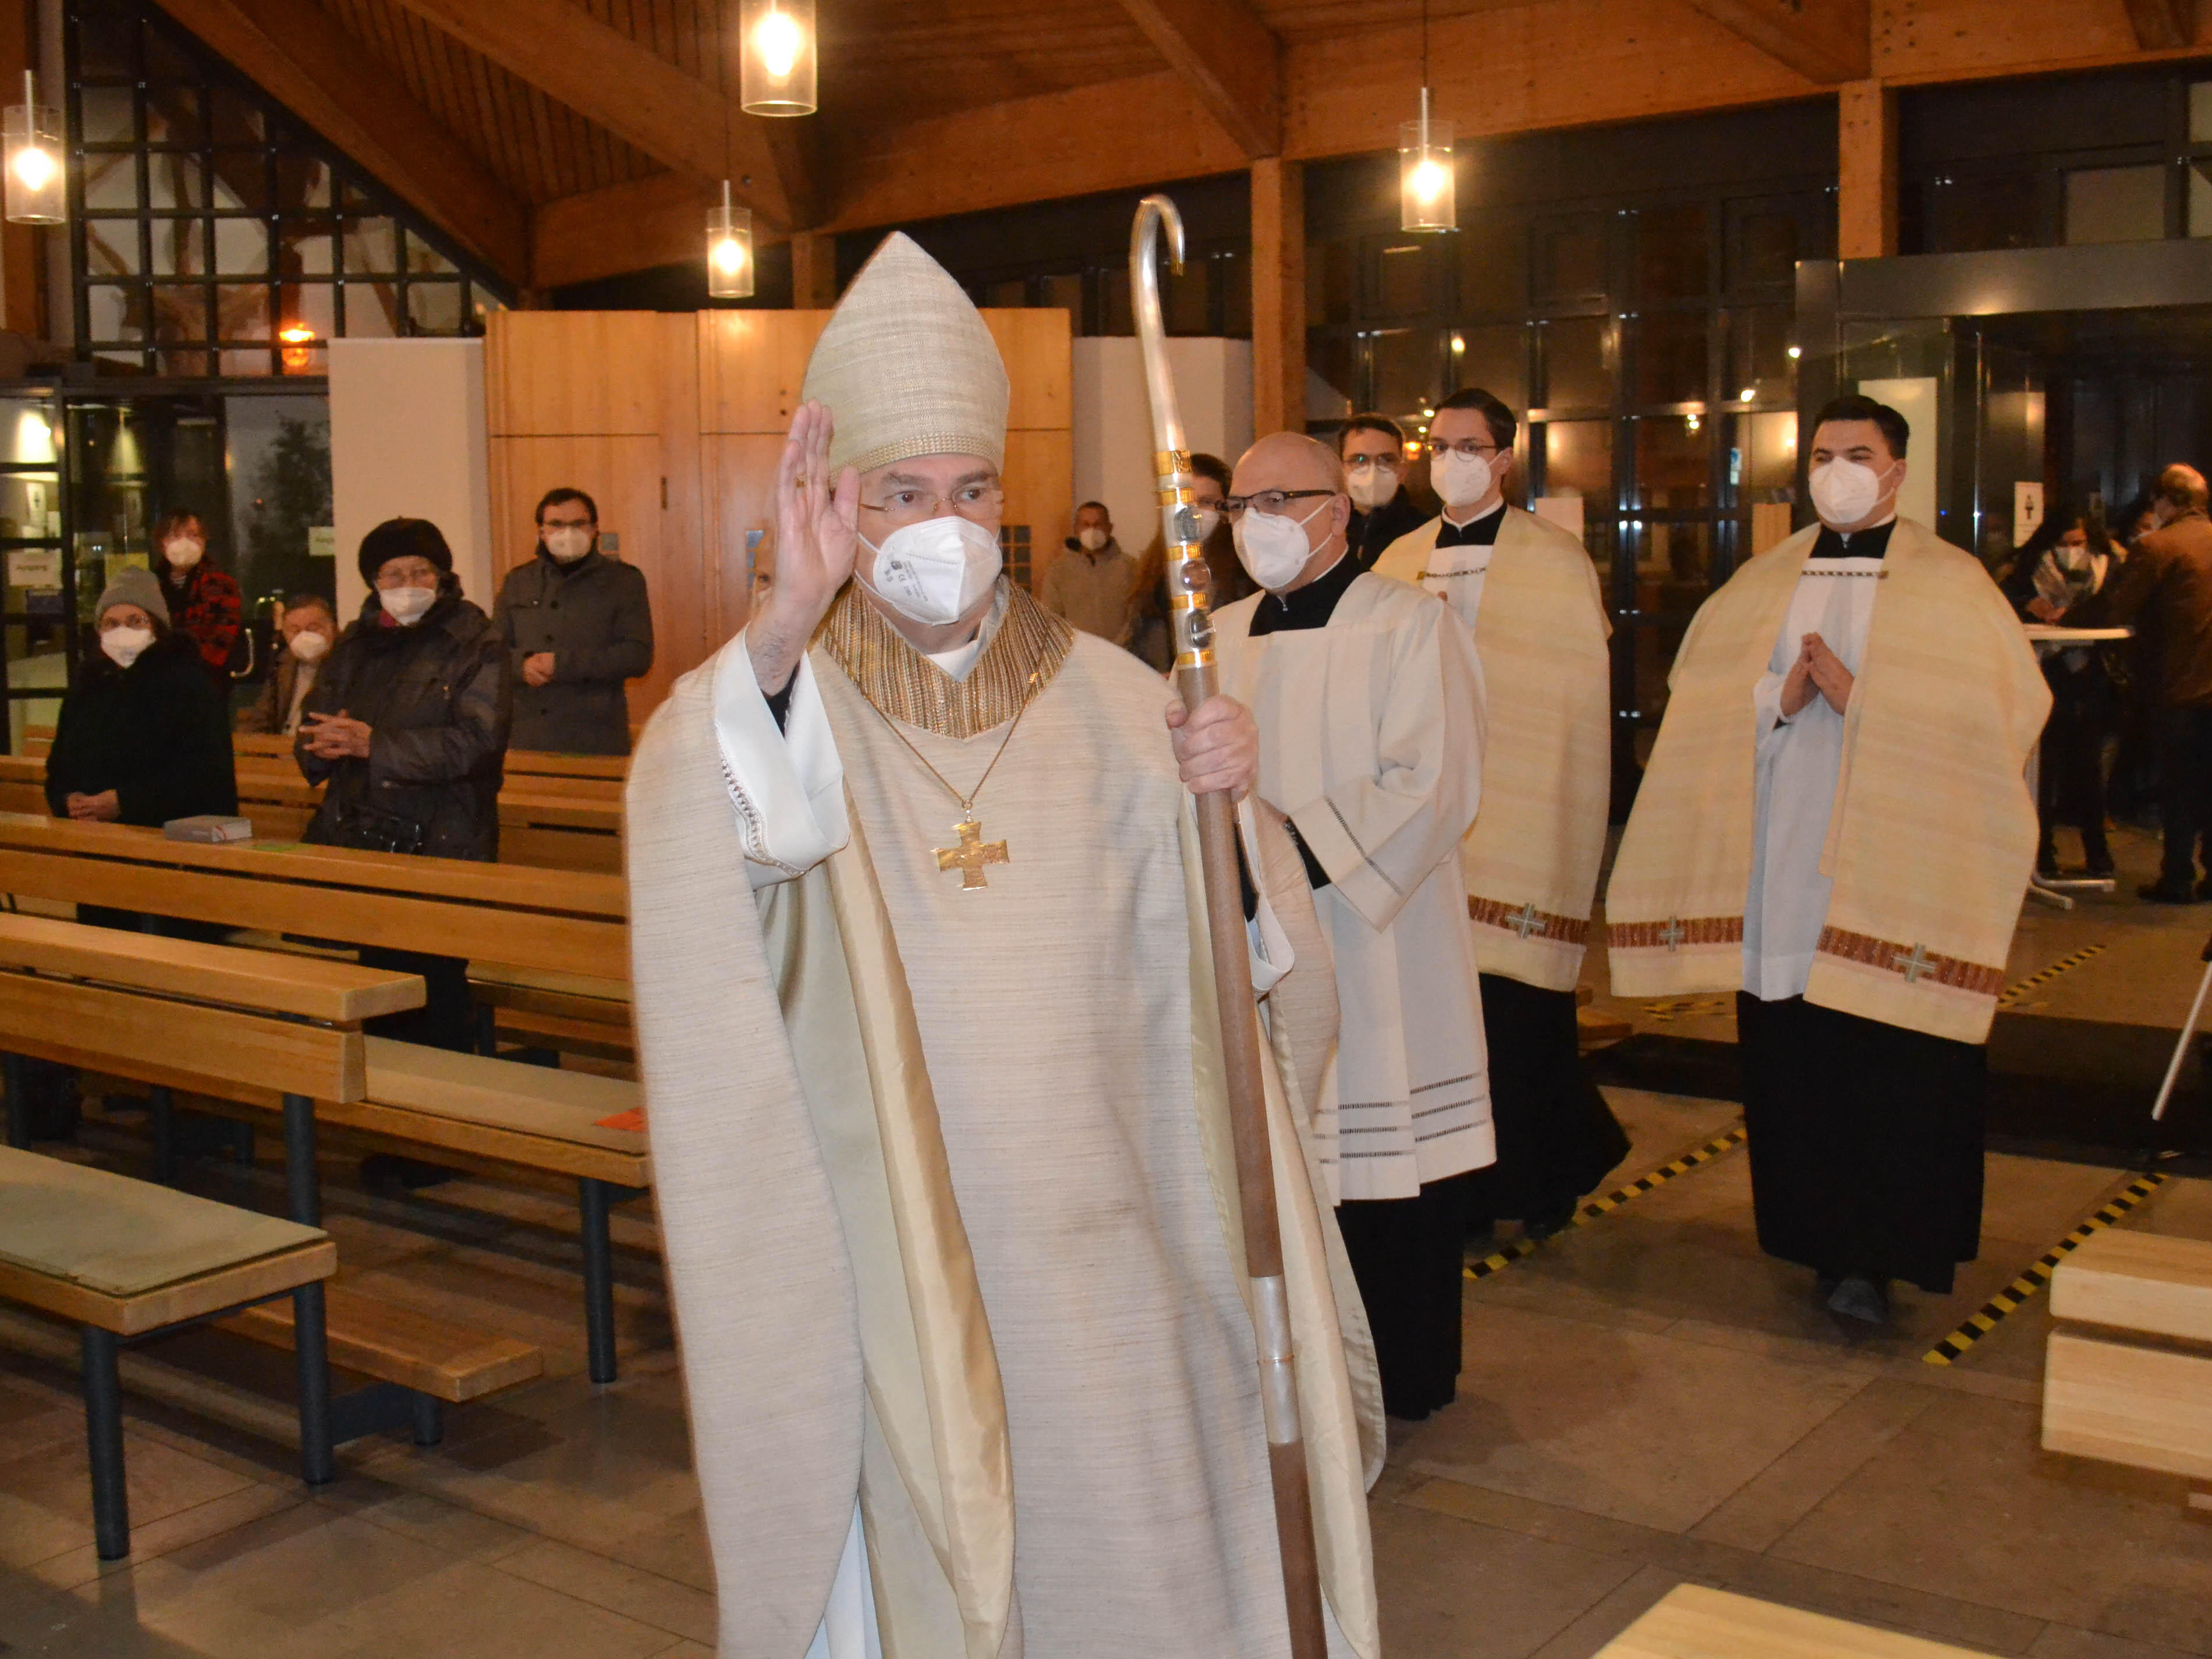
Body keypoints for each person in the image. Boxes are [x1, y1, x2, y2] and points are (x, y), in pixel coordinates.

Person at [622, 233, 1381, 1657]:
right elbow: (707, 851)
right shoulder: (790, 700)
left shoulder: (1122, 697)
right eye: (899, 493)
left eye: (968, 489)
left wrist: (1232, 817)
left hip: (1120, 1238)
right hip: (905, 1255)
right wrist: (783, 619)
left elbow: (1251, 975)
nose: (940, 523)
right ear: (831, 500)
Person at [1608, 394, 2048, 1326]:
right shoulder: (1764, 579)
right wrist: (1781, 692)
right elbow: (1700, 700)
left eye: (1857, 452)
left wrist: (1867, 701)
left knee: (1889, 1065)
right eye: (1821, 454)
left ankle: (1882, 1254)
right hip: (1782, 864)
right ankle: (1816, 1241)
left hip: (1898, 879)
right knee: (1800, 1059)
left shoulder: (1954, 582)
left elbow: (2006, 719)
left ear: (1897, 470)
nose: (1835, 469)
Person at [1212, 429, 1491, 1422]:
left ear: (1339, 508)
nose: (1259, 526)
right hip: (1256, 939)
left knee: (1382, 1162)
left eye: (1280, 502)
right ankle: (1301, 1387)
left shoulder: (1411, 625)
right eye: (1243, 508)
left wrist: (1287, 859)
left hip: (1378, 935)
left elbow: (1433, 783)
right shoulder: (1216, 635)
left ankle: (1403, 1376)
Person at [1373, 386, 1628, 1241]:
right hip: (1423, 819)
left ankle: (1543, 1177)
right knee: (1442, 1019)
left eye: (1467, 445)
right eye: (1437, 445)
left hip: (1518, 811)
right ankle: (1462, 1189)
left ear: (1505, 459)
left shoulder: (1555, 561)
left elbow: (1573, 703)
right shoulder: (1398, 560)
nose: (1448, 459)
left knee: (1519, 1017)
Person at [297, 518, 509, 1058]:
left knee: (434, 987)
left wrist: (377, 745)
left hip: (444, 836)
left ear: (442, 576)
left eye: (421, 572)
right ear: (374, 583)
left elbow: (478, 742)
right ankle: (384, 1110)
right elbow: (314, 720)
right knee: (378, 984)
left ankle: (442, 1114)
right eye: (393, 574)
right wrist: (318, 745)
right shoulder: (355, 642)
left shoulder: (475, 638)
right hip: (362, 833)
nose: (408, 583)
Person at [2051, 465, 2212, 902]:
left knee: (2179, 787)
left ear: (2164, 502)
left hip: (2179, 685)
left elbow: (2116, 608)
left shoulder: (2159, 547)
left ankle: (2177, 877)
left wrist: (2065, 619)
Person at [492, 487, 655, 756]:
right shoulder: (518, 581)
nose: (567, 533)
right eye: (556, 524)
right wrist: (522, 665)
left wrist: (562, 665)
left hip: (594, 739)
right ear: (542, 532)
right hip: (527, 739)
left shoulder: (624, 581)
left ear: (594, 530)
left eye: (578, 524)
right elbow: (491, 653)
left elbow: (637, 656)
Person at [2006, 507, 2118, 878]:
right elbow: (2008, 599)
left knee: (2088, 767)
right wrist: (2028, 605)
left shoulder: (2108, 569)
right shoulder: (2027, 572)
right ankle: (2042, 854)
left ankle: (2097, 854)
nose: (2072, 551)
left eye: (2079, 543)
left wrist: (2067, 617)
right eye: (2064, 544)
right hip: (2047, 674)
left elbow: (2112, 609)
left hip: (2089, 676)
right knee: (2044, 767)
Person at [1129, 451, 1252, 671]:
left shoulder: (1245, 571)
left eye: (1206, 502)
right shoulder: (1153, 572)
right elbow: (1137, 644)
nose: (1194, 511)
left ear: (1227, 508)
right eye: (1185, 501)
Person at [150, 510, 242, 692]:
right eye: (175, 536)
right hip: (156, 683)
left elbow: (222, 639)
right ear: (161, 543)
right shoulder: (150, 585)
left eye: (193, 535)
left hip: (206, 683)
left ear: (204, 541)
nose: (184, 542)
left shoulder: (221, 583)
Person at [1039, 499, 1140, 646]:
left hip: (1123, 656)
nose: (1092, 530)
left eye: (1098, 525)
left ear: (1110, 528)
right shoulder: (1058, 571)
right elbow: (1051, 618)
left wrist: (1118, 647)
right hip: (1078, 659)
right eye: (1086, 525)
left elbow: (1137, 617)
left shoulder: (1131, 568)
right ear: (1076, 529)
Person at [237, 594, 337, 736]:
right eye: (295, 631)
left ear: (332, 628)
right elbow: (263, 714)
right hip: (282, 748)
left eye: (313, 628)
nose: (304, 636)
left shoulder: (346, 665)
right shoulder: (283, 664)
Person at [1340, 413, 1430, 572]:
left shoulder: (1426, 532)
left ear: (1403, 471)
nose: (1373, 470)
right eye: (1360, 460)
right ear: (1341, 469)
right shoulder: (1326, 531)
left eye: (1386, 460)